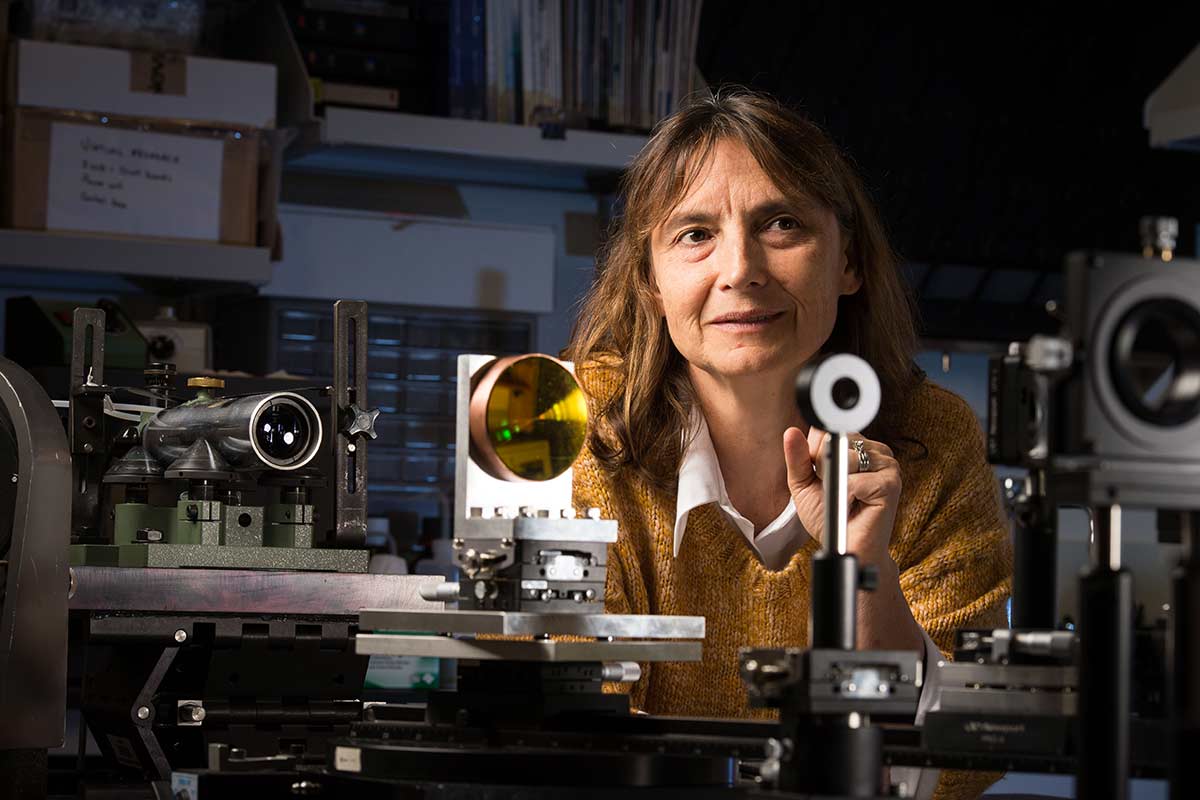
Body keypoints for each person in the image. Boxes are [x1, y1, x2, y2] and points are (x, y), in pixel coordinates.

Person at [564, 89, 1012, 800]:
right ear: (650, 280)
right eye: (694, 234)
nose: (740, 269)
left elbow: (967, 756)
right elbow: (566, 735)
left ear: (848, 262)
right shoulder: (577, 425)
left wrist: (863, 569)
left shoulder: (935, 439)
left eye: (781, 224)